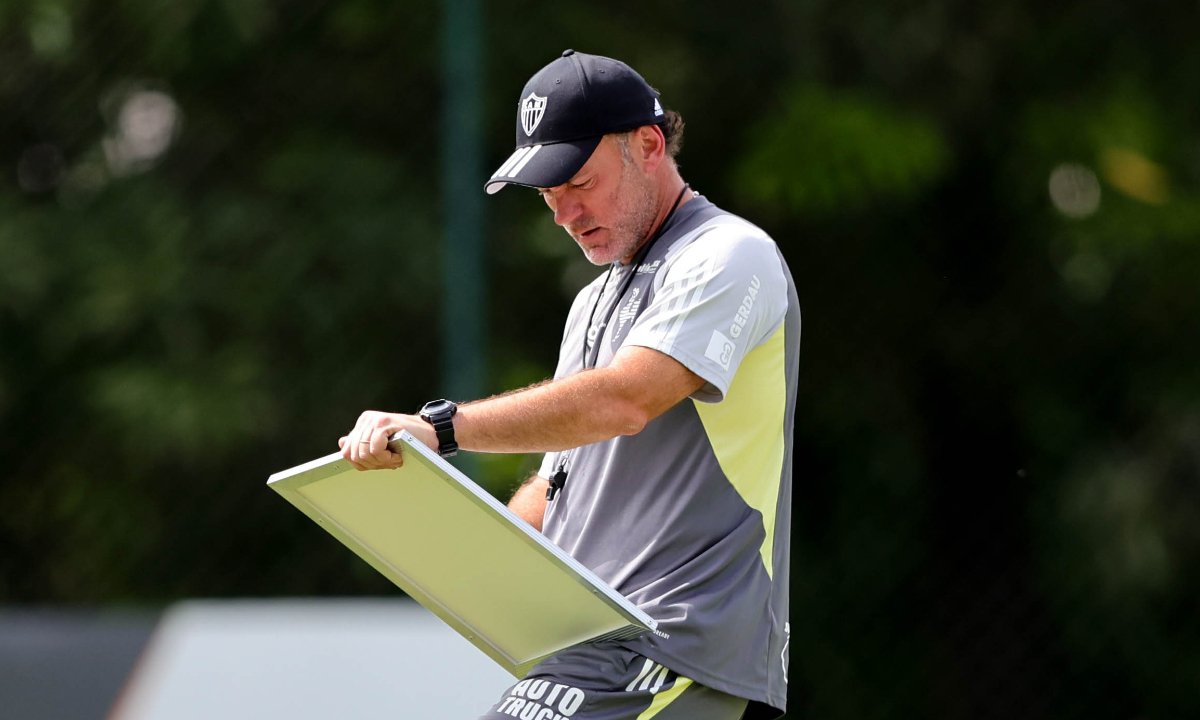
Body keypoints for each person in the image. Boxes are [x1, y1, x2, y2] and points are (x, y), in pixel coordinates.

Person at [340, 50, 800, 720]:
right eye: (549, 195)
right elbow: (559, 488)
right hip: (595, 646)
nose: (564, 214)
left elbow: (625, 400)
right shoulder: (593, 301)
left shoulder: (729, 255)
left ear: (647, 146)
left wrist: (439, 429)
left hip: (676, 644)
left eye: (579, 183)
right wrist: (435, 539)